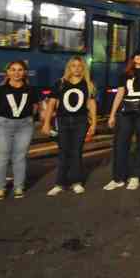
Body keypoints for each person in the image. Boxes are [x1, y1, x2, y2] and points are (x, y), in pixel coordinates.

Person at [104, 48, 140, 191]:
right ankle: (118, 178)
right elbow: (120, 94)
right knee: (120, 143)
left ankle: (136, 176)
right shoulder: (125, 74)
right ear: (133, 57)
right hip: (126, 109)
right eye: (138, 55)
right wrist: (112, 114)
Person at [0, 60, 42, 201]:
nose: (16, 72)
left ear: (24, 73)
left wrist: (28, 120)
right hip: (2, 126)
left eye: (20, 70)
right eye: (13, 69)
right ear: (8, 72)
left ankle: (18, 187)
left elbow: (35, 107)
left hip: (24, 126)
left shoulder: (31, 90)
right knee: (2, 158)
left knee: (20, 157)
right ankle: (0, 189)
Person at [42, 56, 97, 196]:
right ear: (69, 68)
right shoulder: (60, 83)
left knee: (76, 152)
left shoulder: (88, 84)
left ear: (83, 68)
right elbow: (51, 104)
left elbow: (91, 104)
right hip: (63, 121)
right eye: (73, 65)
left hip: (81, 121)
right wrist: (46, 123)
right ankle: (60, 183)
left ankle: (76, 182)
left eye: (79, 66)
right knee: (63, 152)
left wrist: (94, 123)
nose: (76, 68)